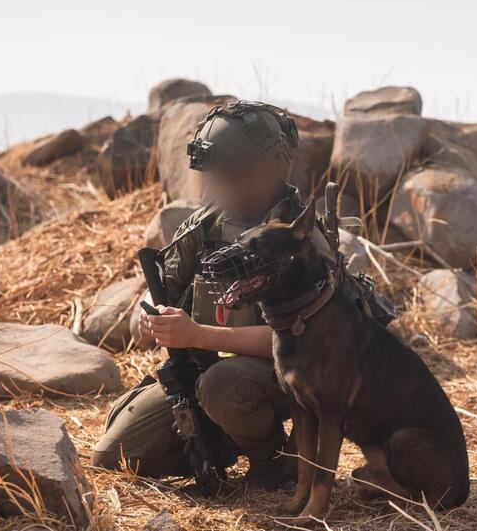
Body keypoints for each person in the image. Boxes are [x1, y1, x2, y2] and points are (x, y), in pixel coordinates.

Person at [91, 100, 316, 489]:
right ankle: (228, 437)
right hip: (205, 371)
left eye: (239, 172)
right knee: (113, 456)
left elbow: (301, 340)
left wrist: (198, 335)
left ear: (277, 165)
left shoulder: (300, 237)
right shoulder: (209, 224)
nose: (226, 184)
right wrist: (154, 318)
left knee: (223, 385)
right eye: (219, 175)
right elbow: (168, 289)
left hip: (287, 379)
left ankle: (271, 459)